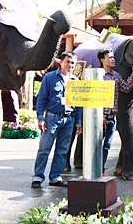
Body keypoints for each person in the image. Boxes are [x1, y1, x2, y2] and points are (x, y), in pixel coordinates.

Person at [32, 51, 82, 188]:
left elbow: (79, 105)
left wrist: (78, 122)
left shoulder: (75, 81)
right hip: (52, 118)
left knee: (62, 150)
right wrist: (40, 118)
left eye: (73, 63)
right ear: (61, 62)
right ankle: (38, 177)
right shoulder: (49, 77)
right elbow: (41, 99)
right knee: (44, 148)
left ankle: (55, 177)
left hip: (69, 120)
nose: (70, 65)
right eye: (68, 62)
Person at [98, 47, 133, 176]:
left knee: (106, 146)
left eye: (113, 57)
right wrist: (99, 115)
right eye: (110, 58)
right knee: (97, 146)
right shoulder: (98, 76)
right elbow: (95, 98)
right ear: (102, 60)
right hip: (101, 117)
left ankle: (101, 169)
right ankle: (95, 170)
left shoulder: (116, 75)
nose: (113, 59)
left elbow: (126, 88)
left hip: (112, 117)